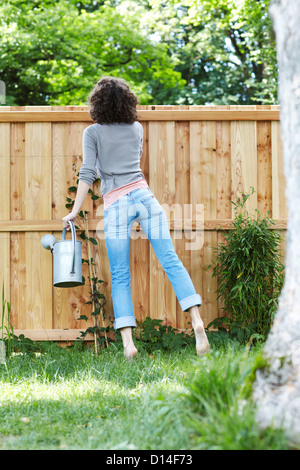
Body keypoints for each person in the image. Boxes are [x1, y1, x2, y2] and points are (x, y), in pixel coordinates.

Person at [62, 76, 209, 359]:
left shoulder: (92, 133)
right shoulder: (136, 128)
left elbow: (88, 173)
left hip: (117, 203)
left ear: (98, 102)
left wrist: (74, 209)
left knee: (120, 275)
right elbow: (134, 161)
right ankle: (197, 322)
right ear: (127, 100)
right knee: (171, 260)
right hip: (144, 196)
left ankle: (129, 345)